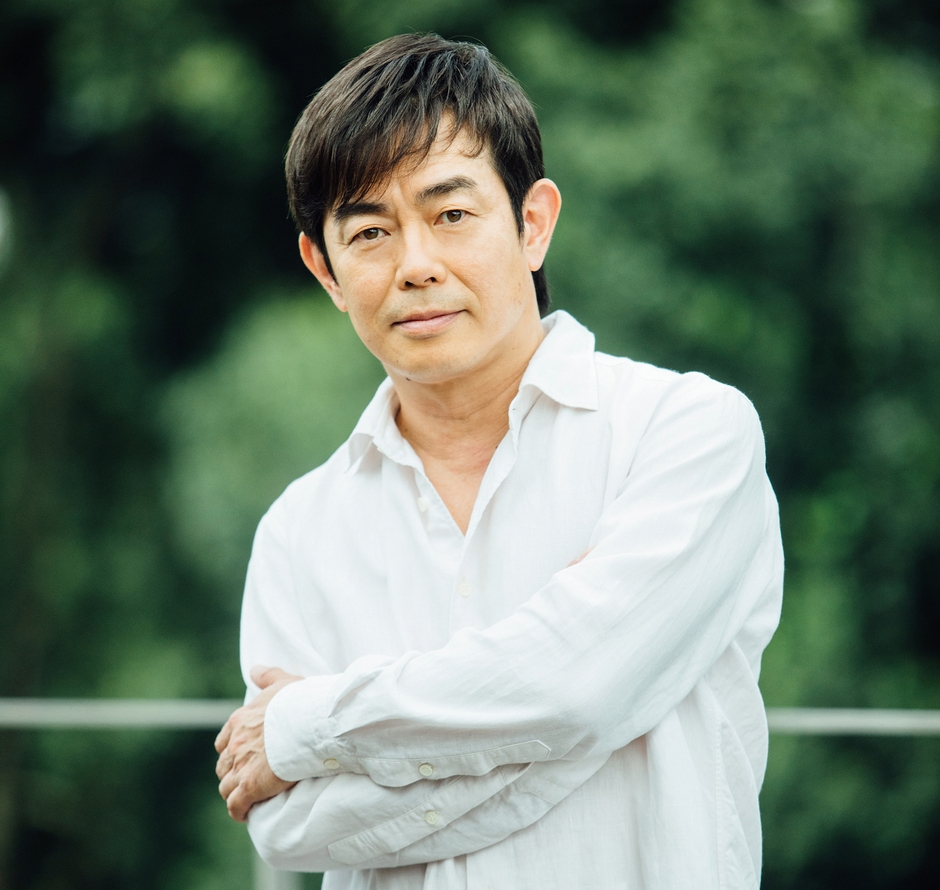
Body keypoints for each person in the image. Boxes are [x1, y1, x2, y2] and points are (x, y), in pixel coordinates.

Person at [213, 32, 783, 890]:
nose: (415, 266)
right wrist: (560, 710)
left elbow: (574, 694)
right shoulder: (300, 529)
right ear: (324, 268)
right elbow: (289, 827)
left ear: (532, 223)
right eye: (370, 232)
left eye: (451, 215)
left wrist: (307, 726)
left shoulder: (686, 434)